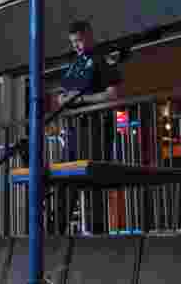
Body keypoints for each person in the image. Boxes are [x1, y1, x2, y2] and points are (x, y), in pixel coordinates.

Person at [55, 20, 123, 236]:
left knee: (94, 183)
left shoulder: (102, 59)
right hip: (74, 131)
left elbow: (113, 94)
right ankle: (55, 234)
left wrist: (83, 99)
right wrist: (65, 99)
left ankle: (97, 235)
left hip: (96, 129)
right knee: (66, 182)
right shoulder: (75, 65)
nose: (76, 45)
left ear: (89, 36)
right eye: (72, 42)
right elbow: (60, 96)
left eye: (79, 40)